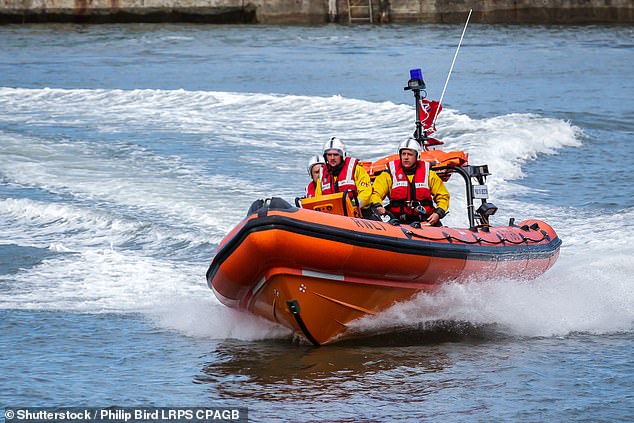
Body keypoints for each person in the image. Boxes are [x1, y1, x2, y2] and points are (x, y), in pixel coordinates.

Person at [370, 137, 450, 226]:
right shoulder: (388, 175)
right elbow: (375, 193)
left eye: (410, 154)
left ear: (417, 156)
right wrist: (378, 206)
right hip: (398, 222)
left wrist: (438, 213)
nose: (406, 157)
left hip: (426, 221)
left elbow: (443, 196)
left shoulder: (429, 174)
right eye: (403, 154)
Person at [315, 137, 372, 213]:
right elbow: (318, 198)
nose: (332, 158)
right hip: (333, 214)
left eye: (335, 155)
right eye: (329, 155)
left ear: (342, 156)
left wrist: (354, 205)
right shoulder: (322, 175)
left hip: (359, 212)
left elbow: (366, 193)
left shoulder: (356, 169)